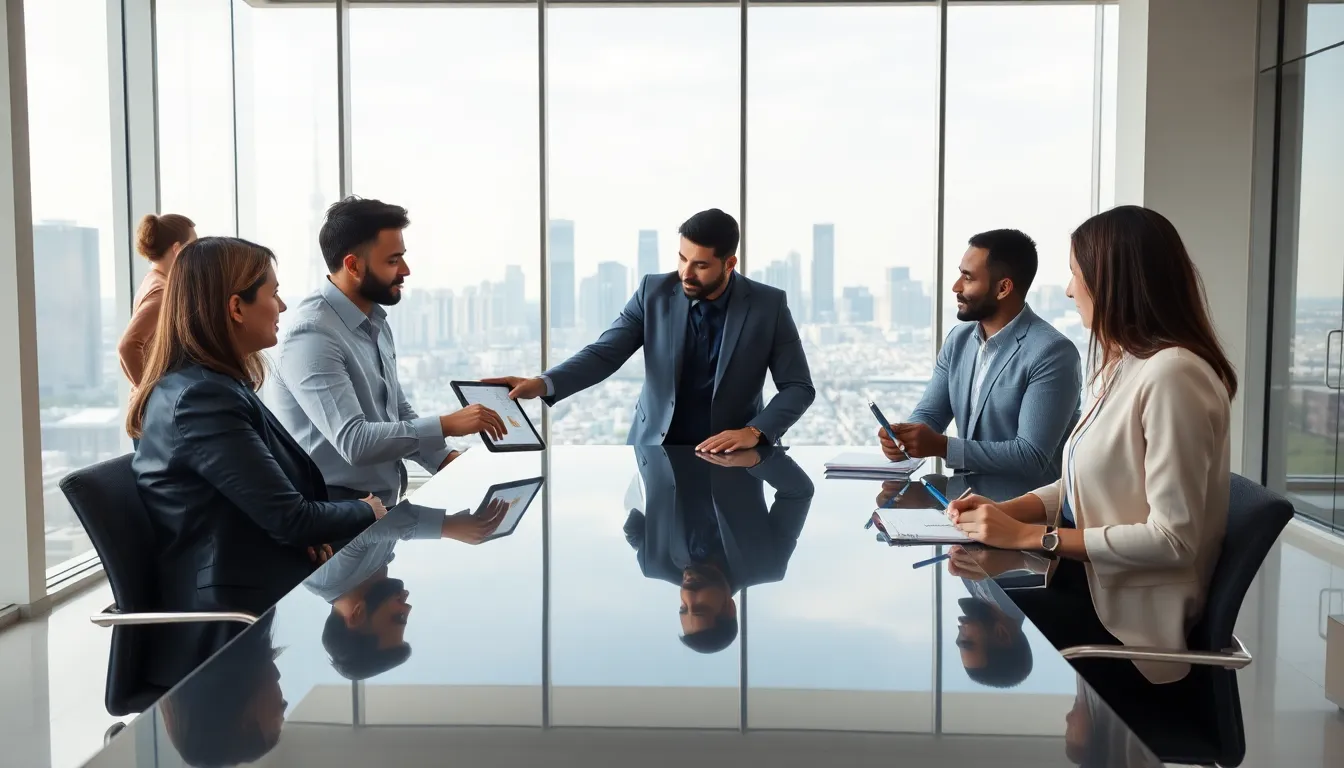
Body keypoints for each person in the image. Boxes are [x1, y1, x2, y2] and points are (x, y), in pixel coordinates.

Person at [946, 206, 1236, 700]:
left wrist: (1035, 536)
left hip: (1129, 630)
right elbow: (1081, 474)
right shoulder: (1124, 365)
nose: (1067, 289)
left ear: (1114, 282)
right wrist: (1010, 510)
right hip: (1091, 589)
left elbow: (1174, 540)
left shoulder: (1173, 376)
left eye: (1076, 275)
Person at [129, 236, 386, 691]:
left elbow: (270, 505)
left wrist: (300, 532)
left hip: (256, 577)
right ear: (236, 307)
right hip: (231, 614)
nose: (282, 306)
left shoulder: (210, 386)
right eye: (272, 293)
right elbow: (292, 518)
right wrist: (370, 509)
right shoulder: (202, 399)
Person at [487, 209, 815, 451]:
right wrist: (542, 383)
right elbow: (604, 353)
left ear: (729, 264)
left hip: (733, 454)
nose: (686, 272)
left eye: (700, 265)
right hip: (655, 452)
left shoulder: (767, 305)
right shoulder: (652, 292)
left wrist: (754, 432)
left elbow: (798, 386)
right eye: (682, 258)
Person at [269, 197, 506, 506]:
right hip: (333, 518)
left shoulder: (374, 320)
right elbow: (354, 441)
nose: (405, 270)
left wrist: (447, 461)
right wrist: (448, 423)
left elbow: (397, 413)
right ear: (353, 265)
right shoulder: (313, 335)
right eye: (393, 261)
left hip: (380, 509)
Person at [877, 229, 1082, 481]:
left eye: (968, 278)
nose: (955, 287)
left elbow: (1031, 456)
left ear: (1003, 288)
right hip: (963, 501)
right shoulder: (958, 340)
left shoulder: (1053, 353)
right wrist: (904, 437)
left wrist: (942, 446)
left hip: (1022, 511)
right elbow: (930, 415)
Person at [623, 445, 813, 653]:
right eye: (700, 608)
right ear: (729, 608)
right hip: (729, 422)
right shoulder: (767, 564)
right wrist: (758, 458)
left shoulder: (654, 564)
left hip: (662, 427)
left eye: (683, 608)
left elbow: (633, 523)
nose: (688, 595)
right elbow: (798, 492)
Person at [118, 212, 196, 390]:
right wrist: (153, 392)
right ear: (178, 249)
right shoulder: (161, 292)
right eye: (192, 248)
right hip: (151, 407)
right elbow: (127, 346)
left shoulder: (155, 280)